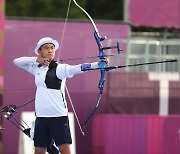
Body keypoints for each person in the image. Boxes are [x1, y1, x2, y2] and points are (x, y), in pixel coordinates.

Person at [13, 37, 109, 154]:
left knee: (65, 150)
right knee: (39, 150)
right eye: (46, 48)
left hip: (58, 116)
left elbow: (78, 68)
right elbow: (17, 61)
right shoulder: (36, 69)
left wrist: (97, 64)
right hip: (41, 117)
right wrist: (37, 60)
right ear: (40, 51)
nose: (50, 50)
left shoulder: (60, 68)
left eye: (52, 48)